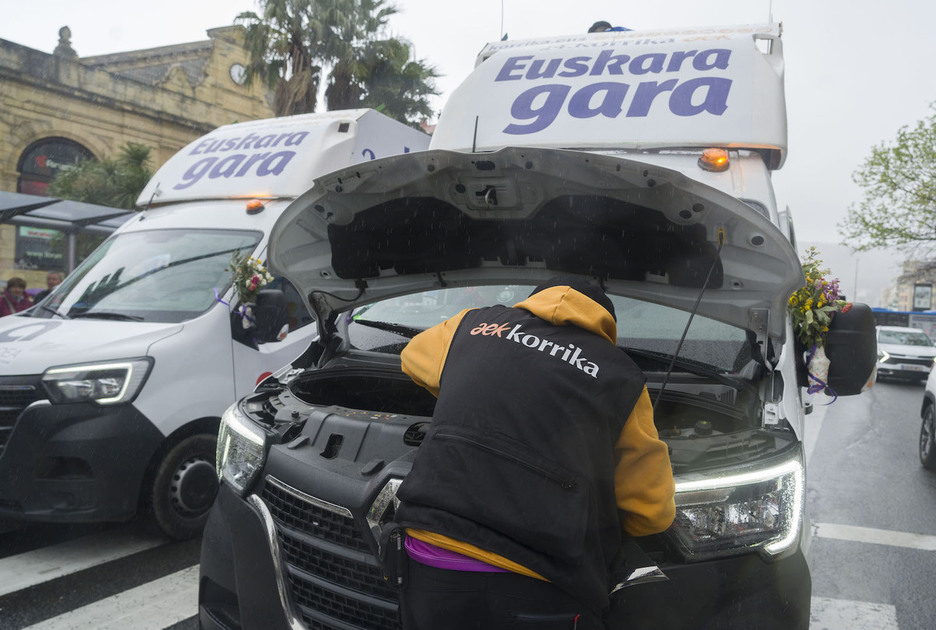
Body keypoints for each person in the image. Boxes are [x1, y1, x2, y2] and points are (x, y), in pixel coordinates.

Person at [395, 278, 676, 630]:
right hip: (540, 582)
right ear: (605, 326)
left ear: (531, 303)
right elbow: (652, 513)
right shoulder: (620, 376)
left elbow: (411, 357)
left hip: (432, 558)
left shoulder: (474, 323)